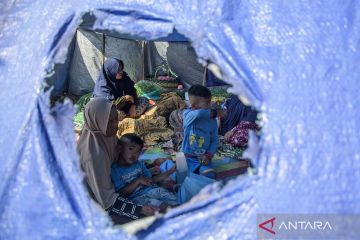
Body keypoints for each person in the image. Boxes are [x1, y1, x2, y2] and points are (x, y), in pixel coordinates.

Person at [77, 98, 156, 223]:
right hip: (96, 201)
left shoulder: (105, 135)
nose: (116, 125)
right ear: (97, 121)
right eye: (110, 121)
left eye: (116, 119)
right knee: (147, 220)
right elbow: (107, 201)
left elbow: (121, 158)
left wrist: (146, 167)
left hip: (116, 183)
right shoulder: (93, 156)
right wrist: (140, 209)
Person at [111, 133, 178, 212]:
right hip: (137, 198)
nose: (134, 154)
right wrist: (137, 181)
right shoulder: (115, 170)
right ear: (120, 148)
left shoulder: (139, 164)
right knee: (166, 208)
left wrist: (169, 172)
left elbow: (151, 180)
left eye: (138, 152)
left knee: (177, 203)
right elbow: (121, 193)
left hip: (153, 190)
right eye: (131, 149)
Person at [181, 85, 226, 179]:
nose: (210, 105)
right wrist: (214, 113)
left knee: (208, 175)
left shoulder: (212, 120)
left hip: (203, 158)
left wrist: (209, 155)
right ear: (193, 105)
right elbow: (198, 113)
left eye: (210, 101)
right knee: (180, 176)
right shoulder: (187, 115)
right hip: (186, 157)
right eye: (207, 102)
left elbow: (214, 140)